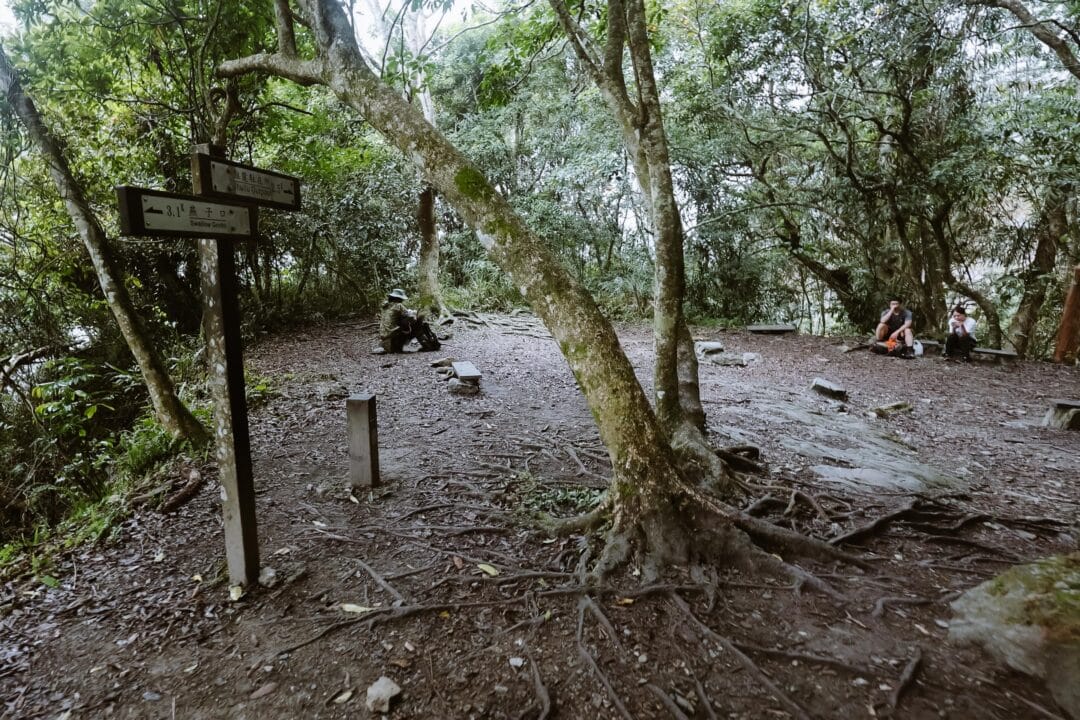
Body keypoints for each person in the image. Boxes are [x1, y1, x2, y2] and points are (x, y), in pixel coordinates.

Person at [379, 288, 440, 353]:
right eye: (401, 298)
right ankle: (428, 346)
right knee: (418, 325)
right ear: (397, 298)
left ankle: (428, 345)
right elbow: (411, 316)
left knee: (409, 325)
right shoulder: (398, 305)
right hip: (392, 335)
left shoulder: (385, 306)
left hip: (384, 335)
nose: (402, 300)